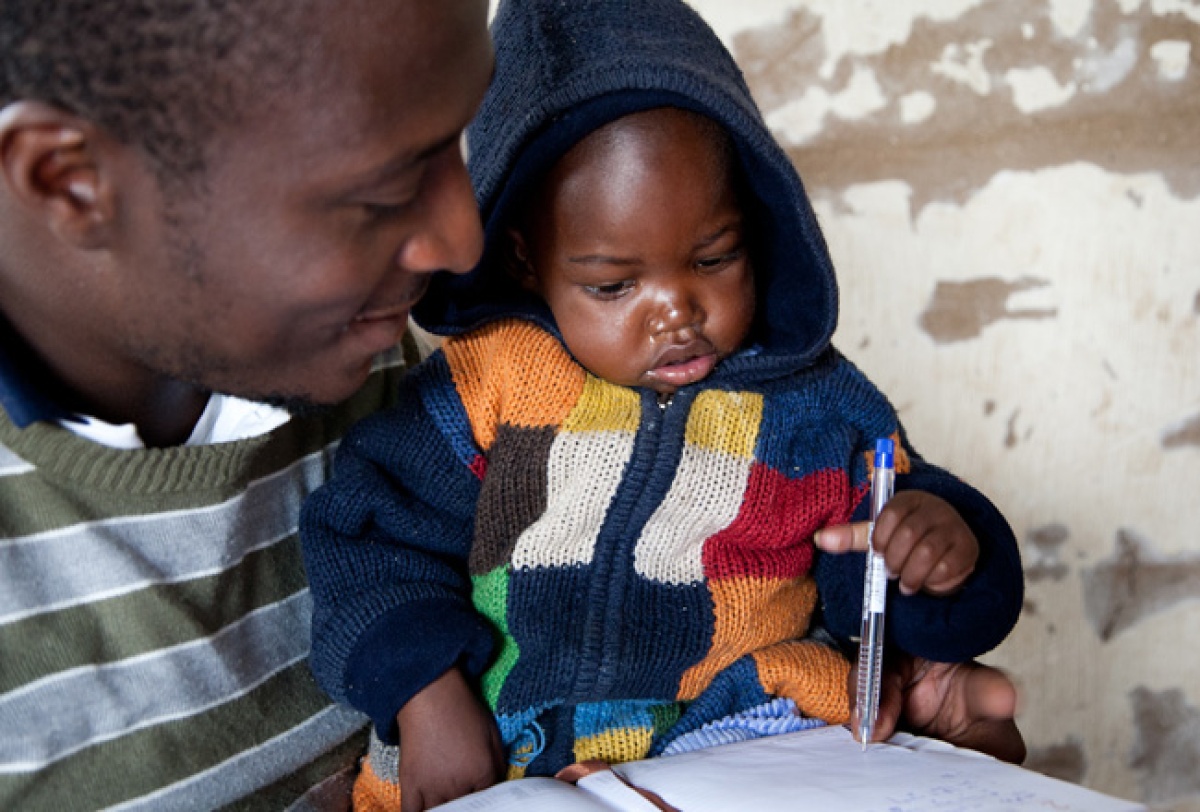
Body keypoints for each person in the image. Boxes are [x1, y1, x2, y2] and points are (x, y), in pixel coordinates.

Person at [298, 1, 1026, 809]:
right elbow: (368, 539)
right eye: (613, 285)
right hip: (496, 754)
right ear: (524, 258)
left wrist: (940, 551)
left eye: (714, 258)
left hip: (740, 742)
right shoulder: (489, 382)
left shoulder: (822, 412)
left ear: (757, 226)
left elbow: (882, 598)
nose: (676, 312)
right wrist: (424, 694)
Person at [0, 1, 492, 809]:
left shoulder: (394, 380)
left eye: (457, 144)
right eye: (386, 192)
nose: (461, 241)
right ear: (72, 182)